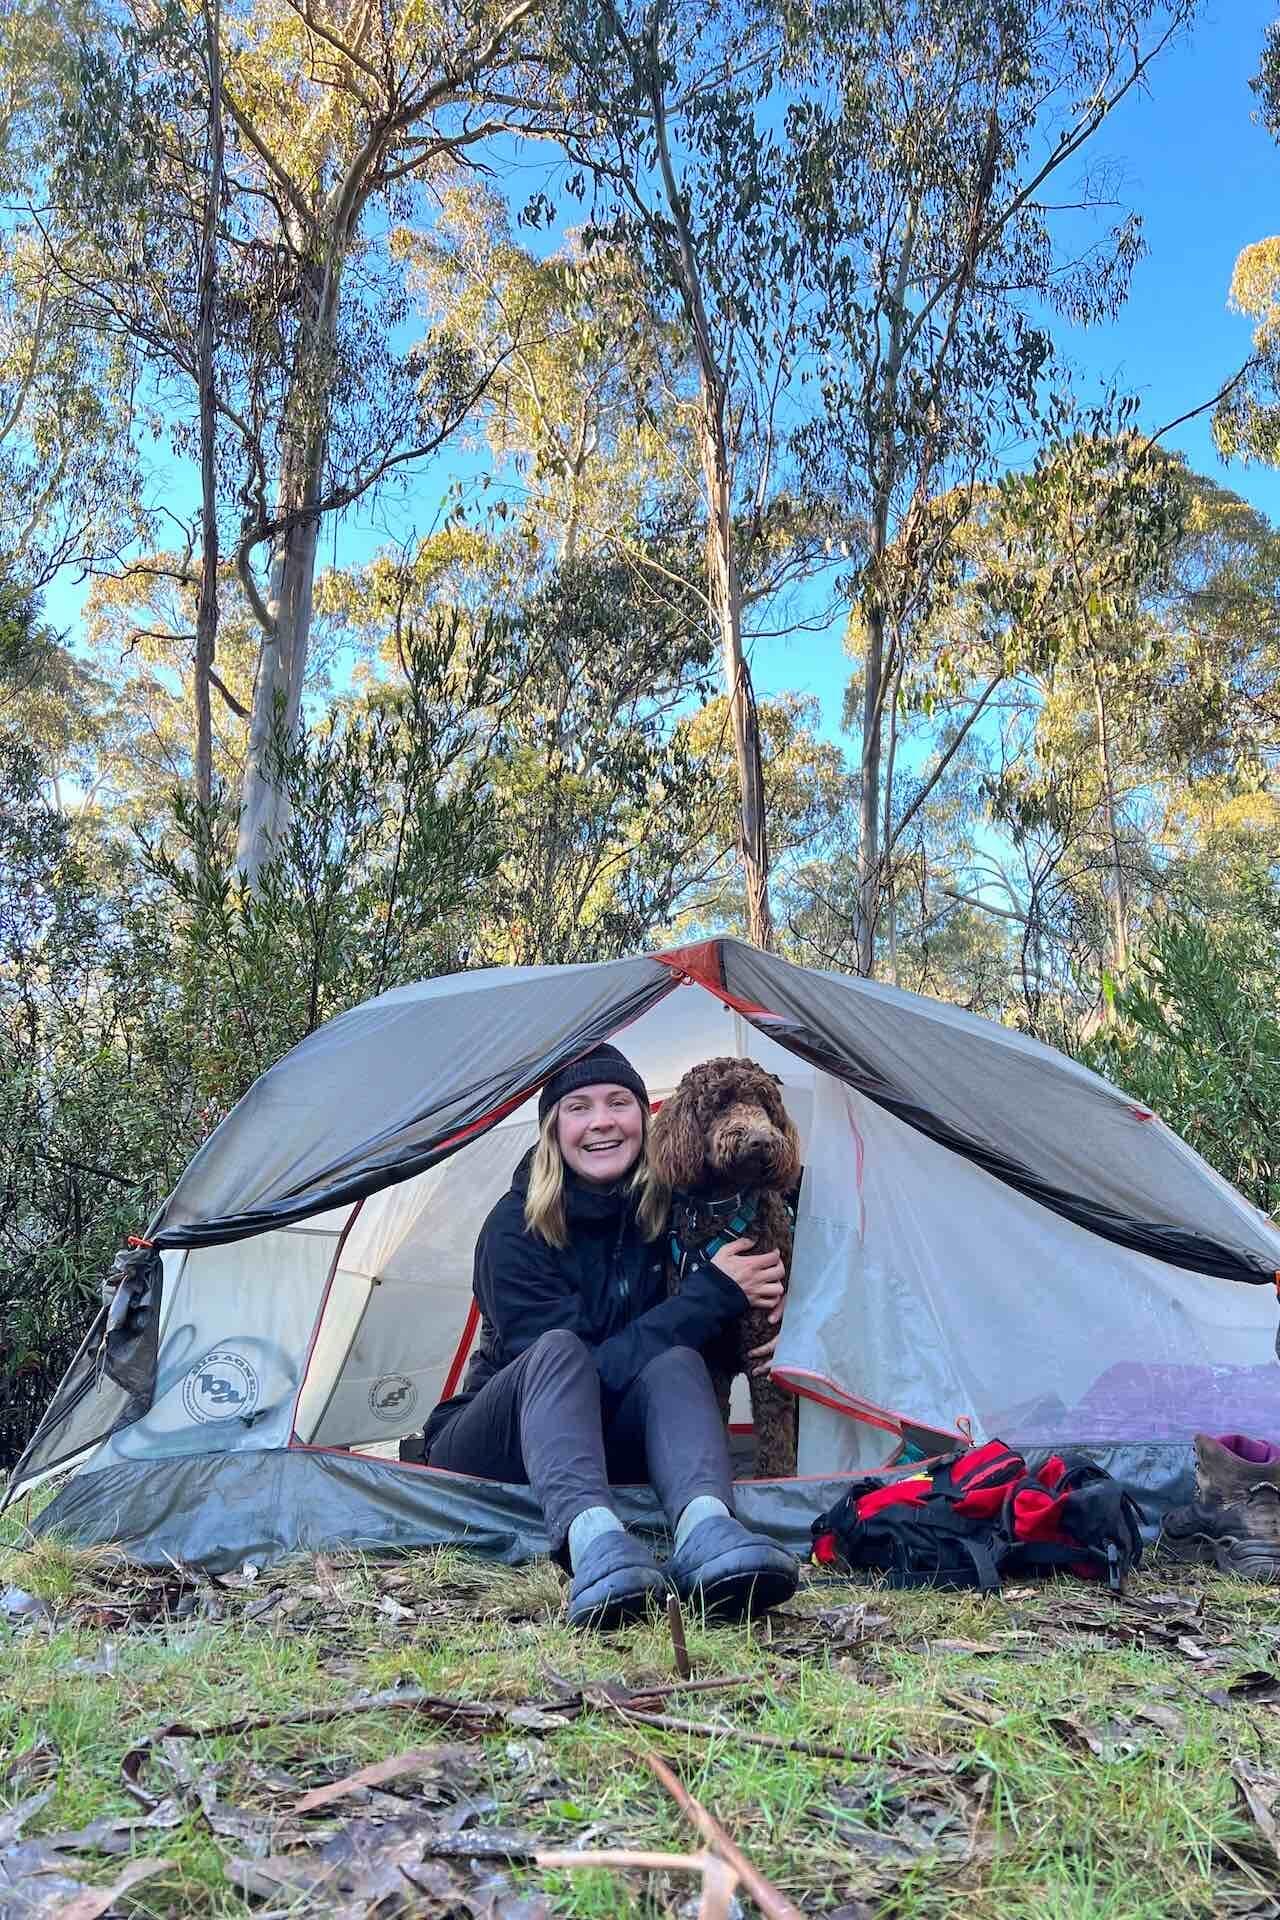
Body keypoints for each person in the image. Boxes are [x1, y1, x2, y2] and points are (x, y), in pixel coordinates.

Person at [423, 1042, 799, 1628]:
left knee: (677, 1361)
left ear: (642, 1117)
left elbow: (797, 1202)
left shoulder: (672, 1210)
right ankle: (594, 1544)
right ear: (553, 1128)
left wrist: (796, 1333)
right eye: (579, 1107)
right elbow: (578, 1382)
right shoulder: (513, 1229)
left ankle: (707, 1529)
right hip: (502, 1441)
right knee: (561, 1350)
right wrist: (714, 1293)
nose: (601, 1121)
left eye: (618, 1102)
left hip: (611, 1441)